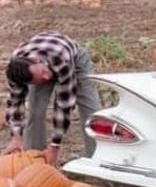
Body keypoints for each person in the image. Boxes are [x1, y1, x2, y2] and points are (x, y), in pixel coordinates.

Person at [3, 32, 101, 165]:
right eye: (40, 79)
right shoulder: (17, 71)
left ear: (37, 61)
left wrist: (54, 146)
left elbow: (64, 105)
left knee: (91, 111)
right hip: (41, 66)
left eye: (44, 74)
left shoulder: (60, 59)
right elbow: (15, 103)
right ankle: (34, 159)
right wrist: (16, 136)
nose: (47, 79)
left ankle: (97, 159)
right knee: (35, 111)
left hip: (74, 62)